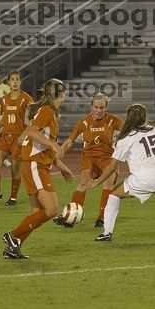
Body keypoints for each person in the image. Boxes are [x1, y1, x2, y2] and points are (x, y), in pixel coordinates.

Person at [88, 103, 155, 241]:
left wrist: (97, 182)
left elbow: (111, 167)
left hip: (144, 180)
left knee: (114, 196)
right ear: (144, 117)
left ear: (128, 118)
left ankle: (107, 233)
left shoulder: (125, 138)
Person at [1, 78, 74, 260]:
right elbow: (33, 132)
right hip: (35, 165)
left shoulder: (48, 112)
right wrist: (54, 145)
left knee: (36, 213)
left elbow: (29, 139)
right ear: (61, 94)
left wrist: (62, 166)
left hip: (34, 163)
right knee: (52, 209)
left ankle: (12, 248)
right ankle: (13, 235)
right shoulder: (48, 111)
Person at [53, 93, 124, 228]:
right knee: (83, 184)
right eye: (96, 107)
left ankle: (102, 219)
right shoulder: (84, 122)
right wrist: (59, 152)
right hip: (89, 158)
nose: (98, 111)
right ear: (91, 106)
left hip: (108, 159)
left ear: (106, 107)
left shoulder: (114, 121)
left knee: (107, 184)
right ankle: (72, 217)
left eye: (101, 108)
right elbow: (69, 141)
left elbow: (129, 130)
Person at [0, 70, 34, 206]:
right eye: (13, 79)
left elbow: (32, 120)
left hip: (18, 139)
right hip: (4, 137)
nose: (15, 82)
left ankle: (13, 198)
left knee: (15, 170)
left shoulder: (27, 98)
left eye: (18, 79)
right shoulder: (5, 99)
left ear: (21, 82)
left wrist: (24, 135)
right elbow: (6, 118)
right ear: (9, 82)